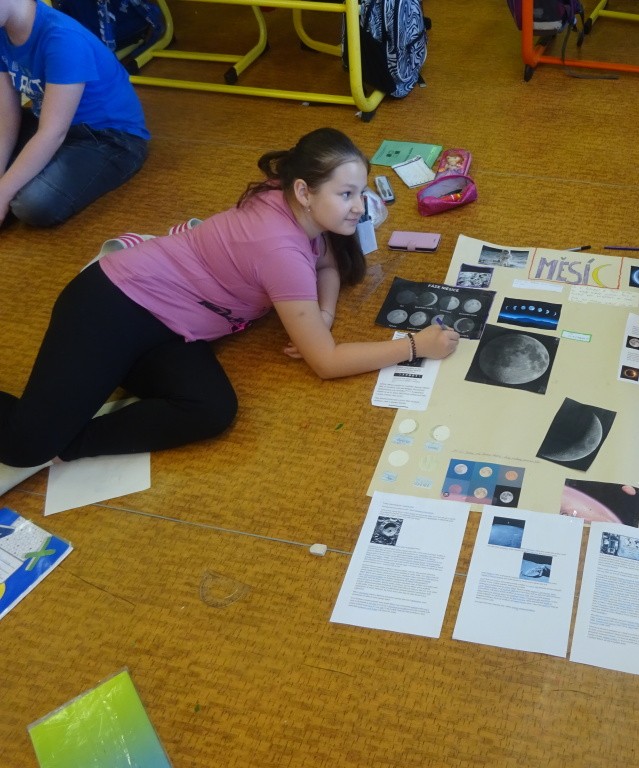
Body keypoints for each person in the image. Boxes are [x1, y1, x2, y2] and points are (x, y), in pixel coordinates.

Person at [0, 127, 461, 490]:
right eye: (347, 195)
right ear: (304, 191)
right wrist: (415, 346)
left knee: (211, 410)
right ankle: (52, 440)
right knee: (25, 446)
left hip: (173, 326)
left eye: (361, 193)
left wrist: (322, 315)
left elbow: (326, 265)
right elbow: (326, 362)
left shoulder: (286, 198)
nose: (360, 207)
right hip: (113, 304)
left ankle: (69, 442)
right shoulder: (280, 252)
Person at [0, 0, 150, 228]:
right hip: (53, 125)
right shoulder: (3, 32)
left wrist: (3, 192)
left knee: (33, 204)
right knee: (16, 184)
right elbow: (5, 118)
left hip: (108, 139)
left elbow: (52, 133)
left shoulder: (62, 38)